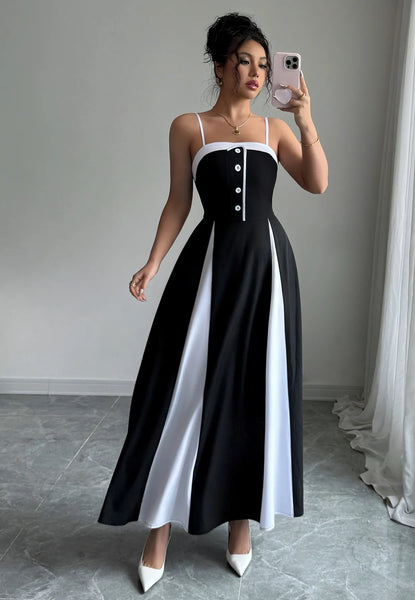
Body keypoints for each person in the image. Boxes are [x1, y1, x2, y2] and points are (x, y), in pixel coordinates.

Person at [97, 12, 328, 592]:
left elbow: (318, 182)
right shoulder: (189, 127)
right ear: (221, 65)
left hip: (267, 272)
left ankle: (240, 526)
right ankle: (157, 532)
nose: (255, 73)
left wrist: (304, 119)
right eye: (244, 61)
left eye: (263, 64)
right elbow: (178, 201)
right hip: (208, 268)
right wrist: (153, 261)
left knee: (252, 395)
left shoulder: (275, 130)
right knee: (183, 394)